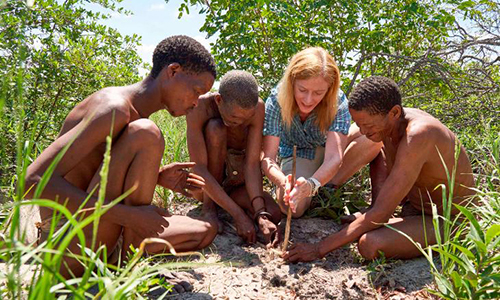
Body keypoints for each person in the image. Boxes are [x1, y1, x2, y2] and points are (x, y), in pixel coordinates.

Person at [25, 35, 218, 278]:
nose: (196, 102)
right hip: (68, 242)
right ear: (173, 71)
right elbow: (31, 181)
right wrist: (129, 216)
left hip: (105, 230)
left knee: (205, 230)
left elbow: (95, 174)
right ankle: (129, 270)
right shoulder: (114, 109)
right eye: (196, 91)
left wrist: (156, 177)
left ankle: (125, 256)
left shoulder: (135, 115)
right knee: (147, 134)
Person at [283, 76, 475, 262]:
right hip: (415, 211)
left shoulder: (418, 134)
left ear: (394, 113)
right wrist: (373, 211)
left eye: (368, 125)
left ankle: (450, 235)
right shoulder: (389, 124)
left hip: (450, 220)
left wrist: (318, 249)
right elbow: (378, 155)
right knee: (363, 226)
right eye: (359, 125)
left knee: (369, 243)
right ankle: (387, 217)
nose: (364, 132)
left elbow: (380, 215)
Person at [261, 47, 381, 218]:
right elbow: (268, 158)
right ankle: (314, 190)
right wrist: (283, 182)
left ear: (329, 89)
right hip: (298, 154)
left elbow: (334, 156)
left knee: (374, 137)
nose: (309, 100)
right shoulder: (276, 100)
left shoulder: (338, 101)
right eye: (302, 90)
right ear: (292, 82)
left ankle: (327, 187)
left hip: (329, 148)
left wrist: (311, 184)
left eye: (318, 93)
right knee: (290, 207)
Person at [187, 70, 281, 247]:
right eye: (234, 117)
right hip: (206, 184)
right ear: (218, 100)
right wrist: (239, 215)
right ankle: (210, 207)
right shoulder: (199, 107)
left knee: (274, 214)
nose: (239, 123)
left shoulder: (257, 108)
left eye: (246, 119)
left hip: (237, 180)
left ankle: (229, 201)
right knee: (216, 129)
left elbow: (252, 163)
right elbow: (198, 168)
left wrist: (261, 214)